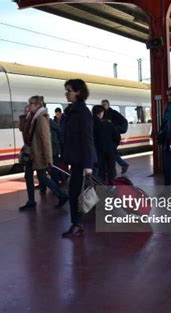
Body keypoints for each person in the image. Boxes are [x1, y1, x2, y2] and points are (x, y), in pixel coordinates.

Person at [18, 96, 68, 211]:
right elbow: (22, 130)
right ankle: (31, 201)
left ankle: (61, 195)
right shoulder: (30, 117)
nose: (28, 106)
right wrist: (23, 117)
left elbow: (46, 139)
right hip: (31, 153)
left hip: (38, 154)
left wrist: (49, 158)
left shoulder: (41, 118)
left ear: (37, 105)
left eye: (31, 104)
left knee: (42, 177)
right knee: (29, 176)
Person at [62, 79, 96, 237]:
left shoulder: (82, 113)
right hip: (75, 159)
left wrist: (88, 165)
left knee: (77, 193)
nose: (66, 93)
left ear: (79, 92)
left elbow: (88, 139)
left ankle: (77, 224)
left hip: (82, 161)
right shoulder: (71, 112)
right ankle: (76, 223)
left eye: (69, 90)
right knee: (75, 192)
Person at [92, 105, 121, 184]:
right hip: (110, 151)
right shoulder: (108, 124)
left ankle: (101, 188)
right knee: (111, 171)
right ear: (101, 113)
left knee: (100, 172)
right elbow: (117, 137)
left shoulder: (90, 124)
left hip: (98, 152)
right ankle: (111, 187)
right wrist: (114, 146)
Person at [102, 99, 129, 174]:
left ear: (108, 105)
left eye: (105, 104)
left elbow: (124, 121)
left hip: (113, 137)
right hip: (107, 137)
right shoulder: (103, 113)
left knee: (111, 153)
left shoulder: (113, 113)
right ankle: (122, 165)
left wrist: (116, 127)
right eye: (102, 105)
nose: (103, 106)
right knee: (112, 152)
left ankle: (113, 170)